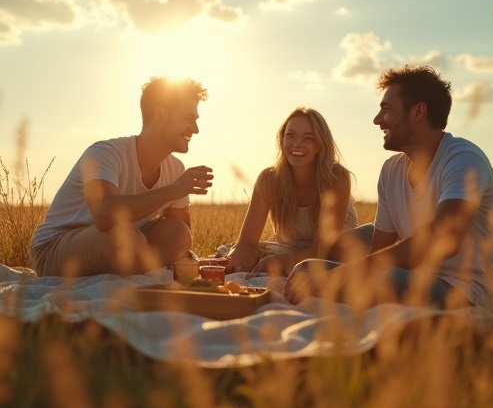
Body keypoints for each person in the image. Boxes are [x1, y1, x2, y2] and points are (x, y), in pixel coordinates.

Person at [284, 65, 493, 309]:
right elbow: (379, 252)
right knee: (306, 269)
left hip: (464, 292)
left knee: (361, 278)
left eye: (386, 109)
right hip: (410, 277)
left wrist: (337, 278)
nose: (377, 120)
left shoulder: (464, 160)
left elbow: (444, 238)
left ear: (417, 112)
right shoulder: (392, 170)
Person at [30, 76, 214, 277]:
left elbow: (178, 234)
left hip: (127, 243)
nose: (195, 129)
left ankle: (134, 272)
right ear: (160, 115)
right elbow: (104, 215)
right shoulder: (105, 153)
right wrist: (171, 191)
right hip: (54, 249)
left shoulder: (175, 169)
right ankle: (137, 270)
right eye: (188, 119)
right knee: (123, 238)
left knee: (178, 233)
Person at [226, 107, 359, 276]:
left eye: (308, 138)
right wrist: (237, 266)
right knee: (231, 267)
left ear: (320, 145)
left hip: (329, 258)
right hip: (285, 252)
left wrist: (276, 262)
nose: (297, 144)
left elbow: (321, 251)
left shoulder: (336, 178)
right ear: (282, 141)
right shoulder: (269, 179)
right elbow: (246, 243)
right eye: (291, 136)